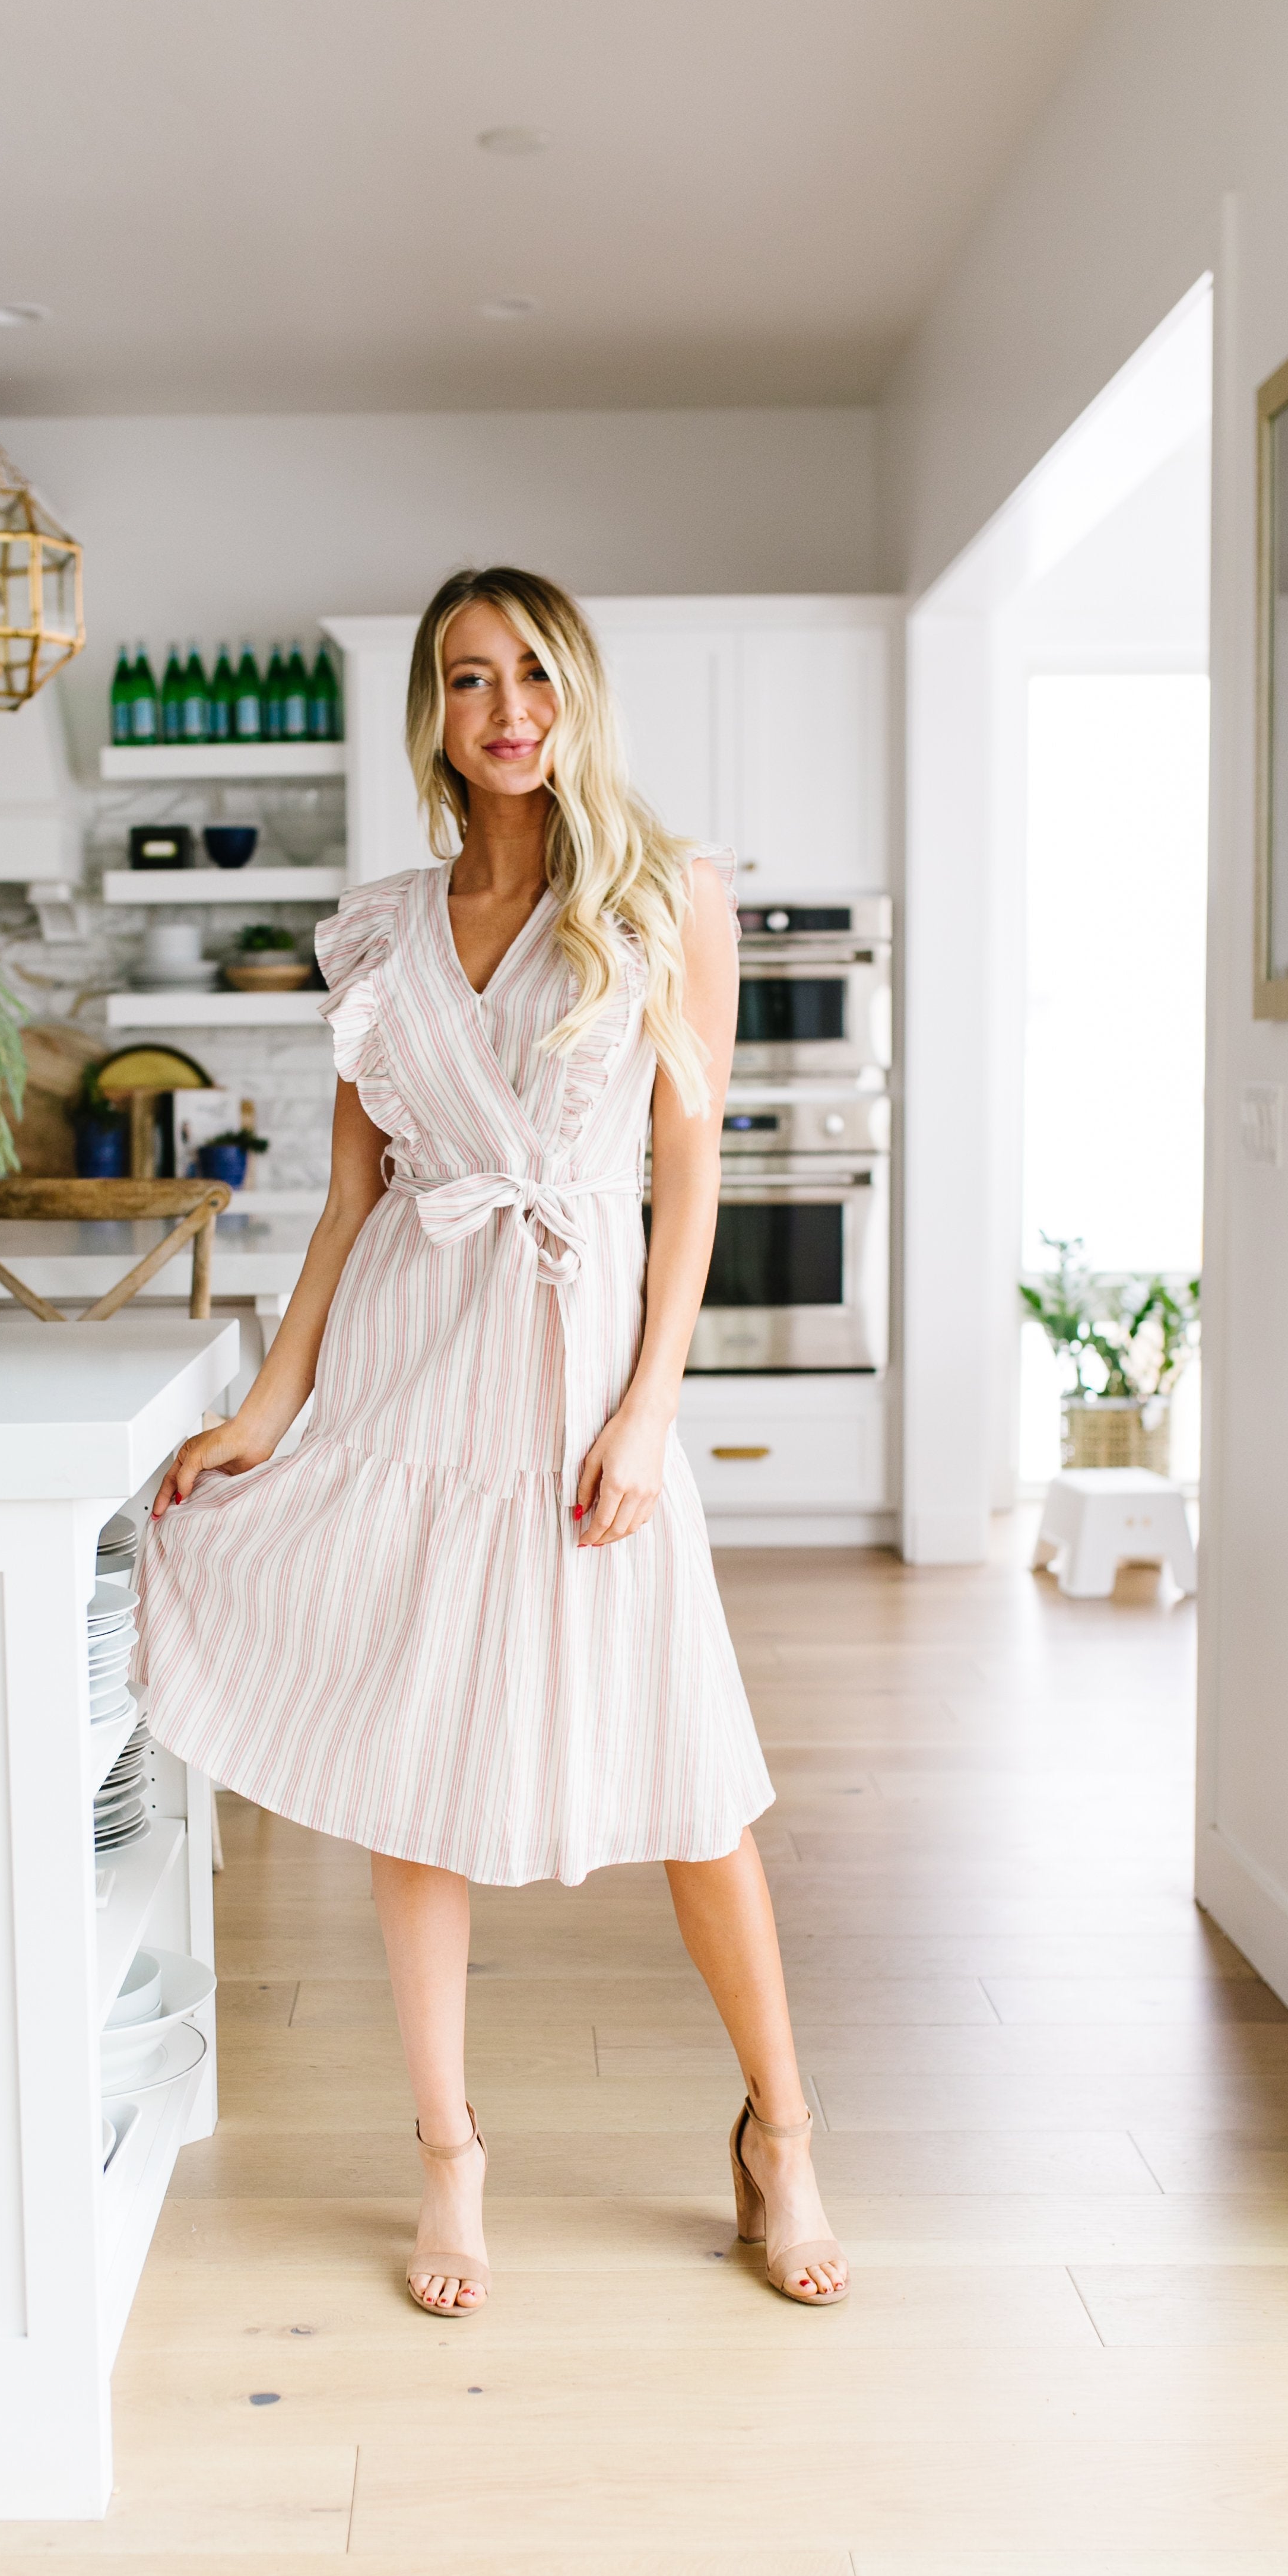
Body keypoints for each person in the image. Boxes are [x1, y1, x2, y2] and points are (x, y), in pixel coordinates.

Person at [138, 567, 847, 2315]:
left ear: (576, 692)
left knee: (694, 1781)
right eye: (468, 679)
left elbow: (693, 1173)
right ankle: (450, 2154)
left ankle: (783, 2129)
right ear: (433, 717)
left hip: (589, 1360)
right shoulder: (380, 931)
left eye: (531, 672)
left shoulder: (670, 895)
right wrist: (267, 1408)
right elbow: (351, 1196)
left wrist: (649, 1402)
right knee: (413, 1769)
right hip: (413, 1369)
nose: (504, 706)